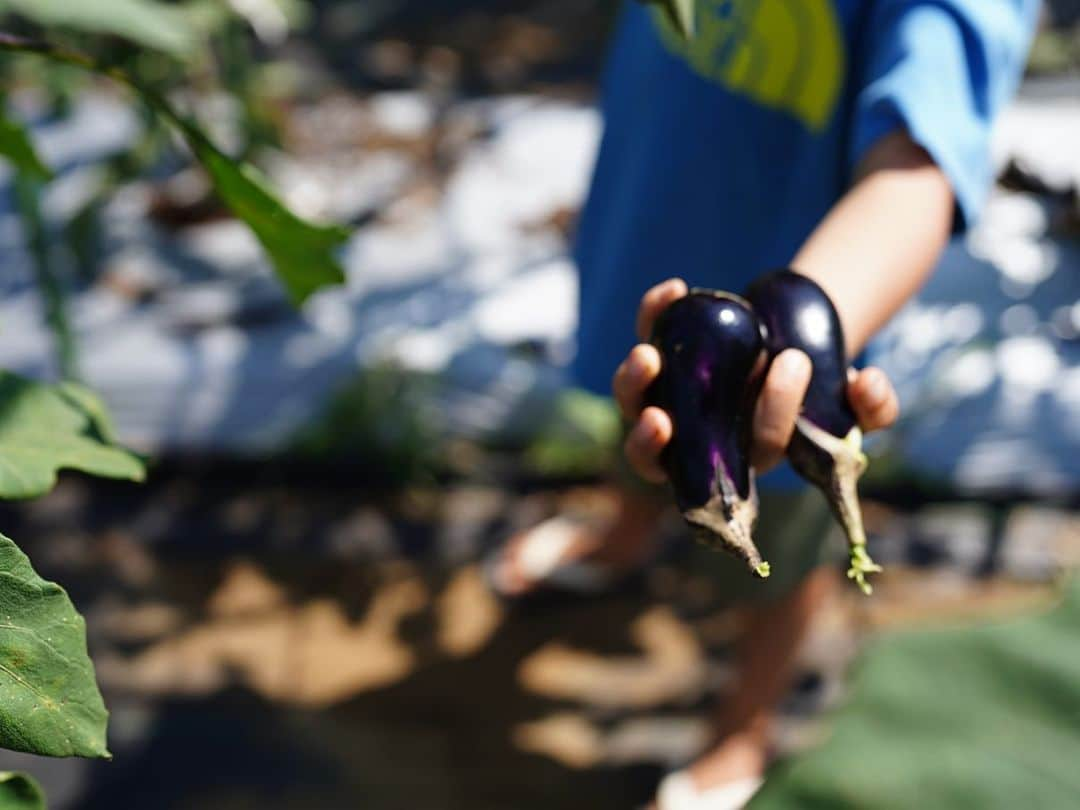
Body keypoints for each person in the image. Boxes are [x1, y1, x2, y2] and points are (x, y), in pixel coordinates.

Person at [489, 1, 1040, 807]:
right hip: (652, 208)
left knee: (778, 523)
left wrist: (806, 340)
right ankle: (624, 534)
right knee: (644, 410)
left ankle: (746, 721)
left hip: (803, 292)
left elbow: (916, 164)